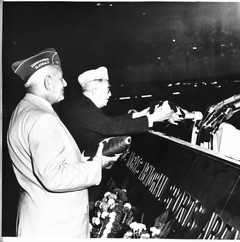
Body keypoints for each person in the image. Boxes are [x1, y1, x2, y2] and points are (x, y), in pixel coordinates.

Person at [7, 48, 119, 238]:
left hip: (37, 217)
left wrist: (80, 162)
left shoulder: (22, 111)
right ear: (48, 82)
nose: (65, 83)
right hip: (57, 227)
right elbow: (53, 177)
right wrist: (96, 166)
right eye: (61, 78)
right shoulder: (43, 118)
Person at [61, 66, 174, 202]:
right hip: (77, 181)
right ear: (95, 90)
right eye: (108, 90)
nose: (110, 95)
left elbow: (111, 121)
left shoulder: (84, 106)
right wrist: (152, 119)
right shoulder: (84, 109)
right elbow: (111, 126)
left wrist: (140, 114)